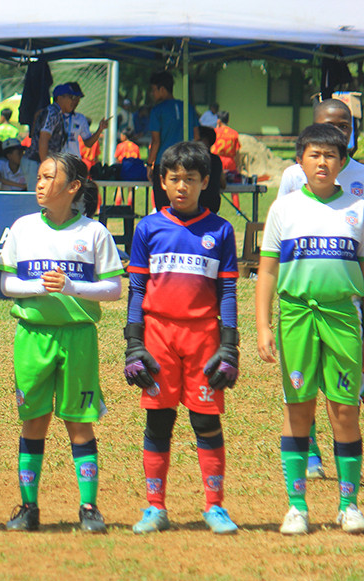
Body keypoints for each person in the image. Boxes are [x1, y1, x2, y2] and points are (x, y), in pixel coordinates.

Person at [0, 153, 123, 533]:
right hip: (33, 337)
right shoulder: (22, 228)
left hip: (78, 338)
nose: (40, 183)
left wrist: (73, 287)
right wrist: (40, 287)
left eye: (50, 177)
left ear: (73, 187)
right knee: (33, 421)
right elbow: (6, 284)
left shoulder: (94, 233)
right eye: (39, 176)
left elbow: (114, 288)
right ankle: (28, 507)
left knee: (79, 423)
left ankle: (89, 507)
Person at [124, 141, 241, 535]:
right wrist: (133, 344)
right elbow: (137, 290)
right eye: (174, 179)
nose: (182, 187)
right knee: (158, 422)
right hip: (158, 336)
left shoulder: (220, 230)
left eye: (191, 179)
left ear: (204, 182)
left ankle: (215, 506)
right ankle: (154, 507)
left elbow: (227, 292)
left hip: (204, 339)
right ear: (162, 180)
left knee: (206, 424)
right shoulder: (148, 228)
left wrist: (229, 346)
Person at [256, 123, 364, 535]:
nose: (323, 162)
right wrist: (264, 325)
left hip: (342, 317)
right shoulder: (284, 209)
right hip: (297, 316)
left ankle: (348, 504)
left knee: (345, 411)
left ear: (342, 163)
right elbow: (266, 270)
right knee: (297, 410)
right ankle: (297, 506)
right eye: (315, 154)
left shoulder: (358, 208)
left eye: (331, 156)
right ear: (300, 161)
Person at [276, 99, 364, 479]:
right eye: (329, 124)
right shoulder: (296, 176)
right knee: (302, 387)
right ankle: (309, 448)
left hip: (345, 293)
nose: (339, 130)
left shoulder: (358, 173)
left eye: (345, 125)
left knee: (347, 390)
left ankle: (344, 457)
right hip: (304, 293)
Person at [22, 83, 108, 192]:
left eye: (76, 98)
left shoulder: (58, 113)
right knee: (37, 199)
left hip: (48, 163)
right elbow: (43, 140)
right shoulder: (52, 113)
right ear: (60, 97)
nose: (74, 101)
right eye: (71, 97)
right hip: (36, 162)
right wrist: (45, 167)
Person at [278, 99, 364, 198]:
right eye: (328, 125)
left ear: (351, 130)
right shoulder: (294, 175)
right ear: (314, 128)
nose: (336, 132)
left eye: (343, 126)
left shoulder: (361, 174)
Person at [147, 71, 200, 210]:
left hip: (164, 163)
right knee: (185, 205)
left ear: (162, 89)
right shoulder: (188, 107)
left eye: (154, 90)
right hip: (188, 161)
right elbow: (197, 137)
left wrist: (149, 164)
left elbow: (155, 141)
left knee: (163, 208)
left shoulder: (157, 110)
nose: (152, 94)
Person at [196, 126, 225, 214]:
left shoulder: (194, 160)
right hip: (213, 204)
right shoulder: (216, 159)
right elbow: (223, 183)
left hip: (196, 203)